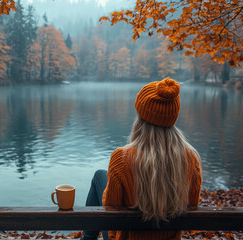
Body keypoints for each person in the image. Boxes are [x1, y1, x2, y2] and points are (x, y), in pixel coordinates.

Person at [82, 77, 202, 240]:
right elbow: (192, 207)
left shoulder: (122, 158)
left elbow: (110, 210)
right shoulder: (191, 159)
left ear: (141, 116)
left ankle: (88, 238)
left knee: (99, 177)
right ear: (173, 117)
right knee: (101, 175)